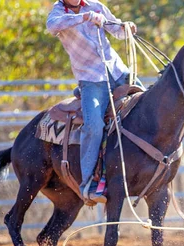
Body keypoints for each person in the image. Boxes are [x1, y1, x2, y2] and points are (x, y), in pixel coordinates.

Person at [46, 0, 142, 205]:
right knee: (94, 125)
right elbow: (53, 26)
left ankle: (153, 164)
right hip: (91, 79)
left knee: (146, 102)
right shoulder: (57, 13)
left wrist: (127, 27)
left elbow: (116, 29)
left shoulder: (95, 5)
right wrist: (85, 17)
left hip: (118, 71)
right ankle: (88, 184)